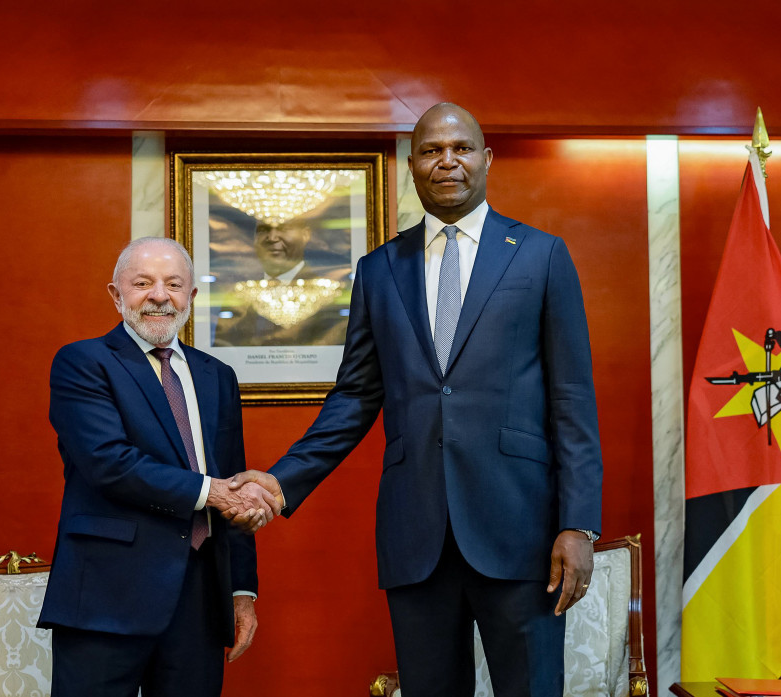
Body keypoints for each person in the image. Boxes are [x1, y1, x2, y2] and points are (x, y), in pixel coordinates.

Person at [231, 103, 604, 697]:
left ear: (486, 159)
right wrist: (281, 483)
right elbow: (355, 395)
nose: (447, 161)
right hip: (416, 534)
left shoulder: (540, 255)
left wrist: (579, 524)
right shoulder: (379, 269)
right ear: (412, 166)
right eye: (432, 151)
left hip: (521, 529)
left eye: (461, 148)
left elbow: (572, 399)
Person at [38, 237, 280, 697]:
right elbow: (109, 463)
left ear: (191, 297)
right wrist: (213, 492)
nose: (159, 295)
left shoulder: (218, 376)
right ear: (116, 294)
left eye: (173, 284)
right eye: (143, 283)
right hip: (107, 592)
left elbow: (233, 477)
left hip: (200, 598)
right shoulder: (83, 363)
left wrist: (241, 591)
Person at [212, 218, 350, 347]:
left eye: (284, 228)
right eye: (264, 229)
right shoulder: (237, 296)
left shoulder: (333, 297)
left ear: (305, 235)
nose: (272, 238)